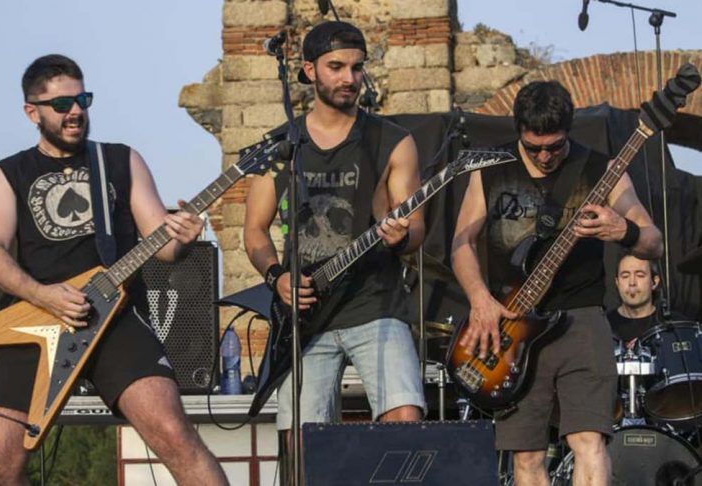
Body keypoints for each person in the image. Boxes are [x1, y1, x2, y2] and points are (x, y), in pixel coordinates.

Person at [0, 54, 228, 486]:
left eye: (82, 100)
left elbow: (164, 247)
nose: (75, 111)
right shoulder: (10, 172)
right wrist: (43, 295)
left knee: (175, 435)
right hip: (35, 320)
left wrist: (183, 238)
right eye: (62, 104)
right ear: (32, 112)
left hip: (116, 320)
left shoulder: (120, 160)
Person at [451, 80, 663, 486]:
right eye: (534, 148)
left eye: (555, 146)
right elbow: (462, 242)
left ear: (568, 131)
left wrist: (623, 229)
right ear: (519, 131)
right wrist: (479, 300)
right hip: (513, 323)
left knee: (589, 440)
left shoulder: (600, 169)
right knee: (527, 453)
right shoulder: (490, 169)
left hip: (581, 318)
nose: (545, 156)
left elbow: (653, 241)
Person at [244, 21, 426, 437]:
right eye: (337, 67)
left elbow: (416, 228)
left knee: (405, 424)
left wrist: (402, 237)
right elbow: (254, 230)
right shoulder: (279, 148)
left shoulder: (392, 141)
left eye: (357, 68)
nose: (350, 78)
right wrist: (277, 277)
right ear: (309, 70)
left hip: (375, 305)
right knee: (301, 442)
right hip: (305, 316)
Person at [607, 253, 664, 346]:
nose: (632, 282)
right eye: (625, 276)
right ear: (617, 283)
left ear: (654, 282)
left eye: (640, 275)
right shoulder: (603, 326)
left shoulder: (673, 325)